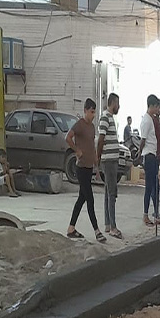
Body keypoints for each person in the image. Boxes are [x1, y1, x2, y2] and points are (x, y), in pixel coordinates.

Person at [66, 98, 105, 243]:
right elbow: (68, 137)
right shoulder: (80, 125)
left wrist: (96, 165)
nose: (93, 115)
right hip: (81, 167)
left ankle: (71, 228)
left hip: (89, 167)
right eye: (91, 112)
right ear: (85, 110)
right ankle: (97, 230)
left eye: (94, 112)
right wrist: (77, 150)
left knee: (81, 198)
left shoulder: (92, 127)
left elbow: (92, 146)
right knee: (90, 198)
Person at [97, 92, 122, 239]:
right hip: (109, 160)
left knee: (108, 192)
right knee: (112, 193)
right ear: (112, 103)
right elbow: (100, 140)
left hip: (111, 159)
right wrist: (98, 159)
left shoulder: (110, 118)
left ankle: (108, 224)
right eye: (117, 103)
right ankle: (113, 226)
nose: (119, 106)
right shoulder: (105, 117)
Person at [139, 94, 160, 226]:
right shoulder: (146, 120)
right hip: (149, 155)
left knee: (155, 186)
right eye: (156, 107)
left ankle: (156, 214)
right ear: (152, 106)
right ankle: (145, 215)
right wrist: (139, 153)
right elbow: (143, 140)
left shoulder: (152, 119)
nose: (158, 110)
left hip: (154, 155)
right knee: (149, 187)